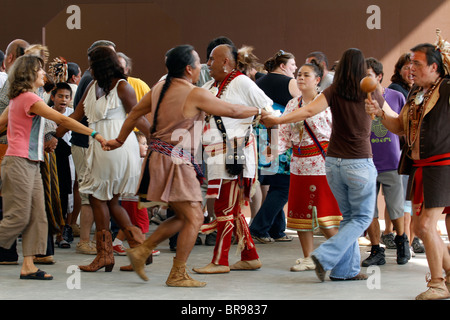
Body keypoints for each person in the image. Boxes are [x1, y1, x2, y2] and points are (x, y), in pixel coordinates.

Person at [103, 44, 267, 287]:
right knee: (193, 218)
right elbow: (231, 110)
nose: (203, 65)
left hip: (156, 159)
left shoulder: (159, 87)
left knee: (184, 216)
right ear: (189, 68)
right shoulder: (194, 93)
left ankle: (142, 251)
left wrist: (119, 140)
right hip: (176, 162)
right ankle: (176, 272)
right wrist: (260, 110)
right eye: (200, 61)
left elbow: (134, 113)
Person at [263, 48, 384, 282]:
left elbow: (307, 111)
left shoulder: (333, 92)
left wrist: (277, 119)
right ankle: (322, 256)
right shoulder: (371, 93)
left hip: (330, 164)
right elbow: (383, 125)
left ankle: (344, 271)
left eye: (305, 74)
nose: (299, 77)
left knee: (346, 218)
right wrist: (377, 111)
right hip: (357, 162)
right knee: (361, 217)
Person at [0, 54, 105, 280]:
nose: (43, 73)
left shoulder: (22, 97)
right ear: (28, 74)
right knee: (18, 217)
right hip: (19, 162)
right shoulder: (28, 98)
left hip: (31, 163)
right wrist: (95, 134)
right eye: (39, 70)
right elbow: (63, 120)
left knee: (38, 216)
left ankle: (28, 265)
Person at [365, 42, 450, 300]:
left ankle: (437, 283)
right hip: (421, 166)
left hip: (442, 164)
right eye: (409, 63)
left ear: (434, 67)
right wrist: (379, 114)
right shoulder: (415, 92)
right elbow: (400, 126)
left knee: (425, 224)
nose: (410, 68)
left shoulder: (447, 88)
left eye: (417, 64)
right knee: (421, 225)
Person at [57, 46, 150, 273]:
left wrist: (156, 141)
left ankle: (105, 255)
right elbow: (76, 117)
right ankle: (138, 249)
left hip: (115, 145)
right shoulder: (92, 86)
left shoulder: (122, 87)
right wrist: (54, 135)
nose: (88, 67)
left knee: (99, 198)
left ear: (101, 65)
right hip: (101, 145)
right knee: (110, 201)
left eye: (91, 62)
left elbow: (139, 118)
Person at [192, 44, 272, 275]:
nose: (208, 64)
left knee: (223, 208)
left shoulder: (242, 82)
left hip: (233, 155)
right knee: (231, 210)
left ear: (226, 61)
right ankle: (250, 256)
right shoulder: (209, 86)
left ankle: (220, 261)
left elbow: (267, 110)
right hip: (216, 156)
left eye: (211, 59)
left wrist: (250, 120)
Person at [279, 61, 341, 272]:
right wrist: (270, 152)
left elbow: (337, 133)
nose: (300, 78)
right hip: (298, 164)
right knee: (301, 215)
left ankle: (342, 255)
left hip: (322, 165)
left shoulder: (327, 103)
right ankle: (308, 257)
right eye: (298, 74)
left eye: (306, 75)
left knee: (324, 216)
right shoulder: (291, 105)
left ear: (317, 80)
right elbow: (284, 136)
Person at [362, 57, 410, 267]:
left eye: (369, 75)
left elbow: (403, 125)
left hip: (391, 161)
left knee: (396, 206)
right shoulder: (357, 99)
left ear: (379, 77)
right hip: (366, 162)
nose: (364, 80)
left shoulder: (396, 96)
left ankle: (402, 241)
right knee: (369, 209)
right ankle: (375, 249)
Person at [71, 40, 116, 256]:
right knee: (90, 194)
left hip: (93, 144)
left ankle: (101, 244)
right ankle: (85, 241)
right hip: (85, 143)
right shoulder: (92, 80)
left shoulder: (103, 80)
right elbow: (79, 115)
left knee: (99, 195)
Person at [250, 49, 300, 244]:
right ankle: (259, 228)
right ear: (283, 66)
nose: (295, 69)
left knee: (276, 185)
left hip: (262, 137)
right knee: (282, 187)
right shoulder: (290, 83)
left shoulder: (259, 82)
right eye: (293, 65)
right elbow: (303, 107)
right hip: (280, 138)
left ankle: (277, 229)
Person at [0, 39, 30, 265]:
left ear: (9, 58)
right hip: (24, 152)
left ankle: (8, 252)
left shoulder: (12, 83)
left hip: (8, 150)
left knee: (9, 205)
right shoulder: (29, 85)